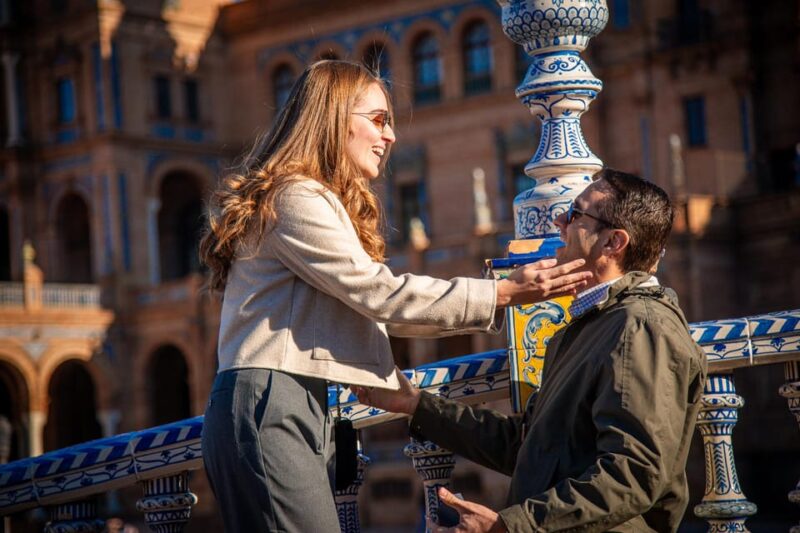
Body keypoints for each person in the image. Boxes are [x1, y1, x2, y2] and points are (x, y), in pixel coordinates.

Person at [198, 60, 592, 532]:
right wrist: (502, 293)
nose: (391, 136)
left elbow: (376, 310)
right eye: (379, 119)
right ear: (332, 117)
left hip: (278, 403)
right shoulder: (296, 197)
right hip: (271, 402)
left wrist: (497, 302)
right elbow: (379, 294)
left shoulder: (304, 197)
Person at [355, 169, 708, 533]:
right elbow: (530, 446)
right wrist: (414, 404)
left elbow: (633, 474)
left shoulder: (641, 327)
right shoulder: (595, 324)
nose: (559, 220)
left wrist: (510, 526)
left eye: (575, 214)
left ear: (613, 242)